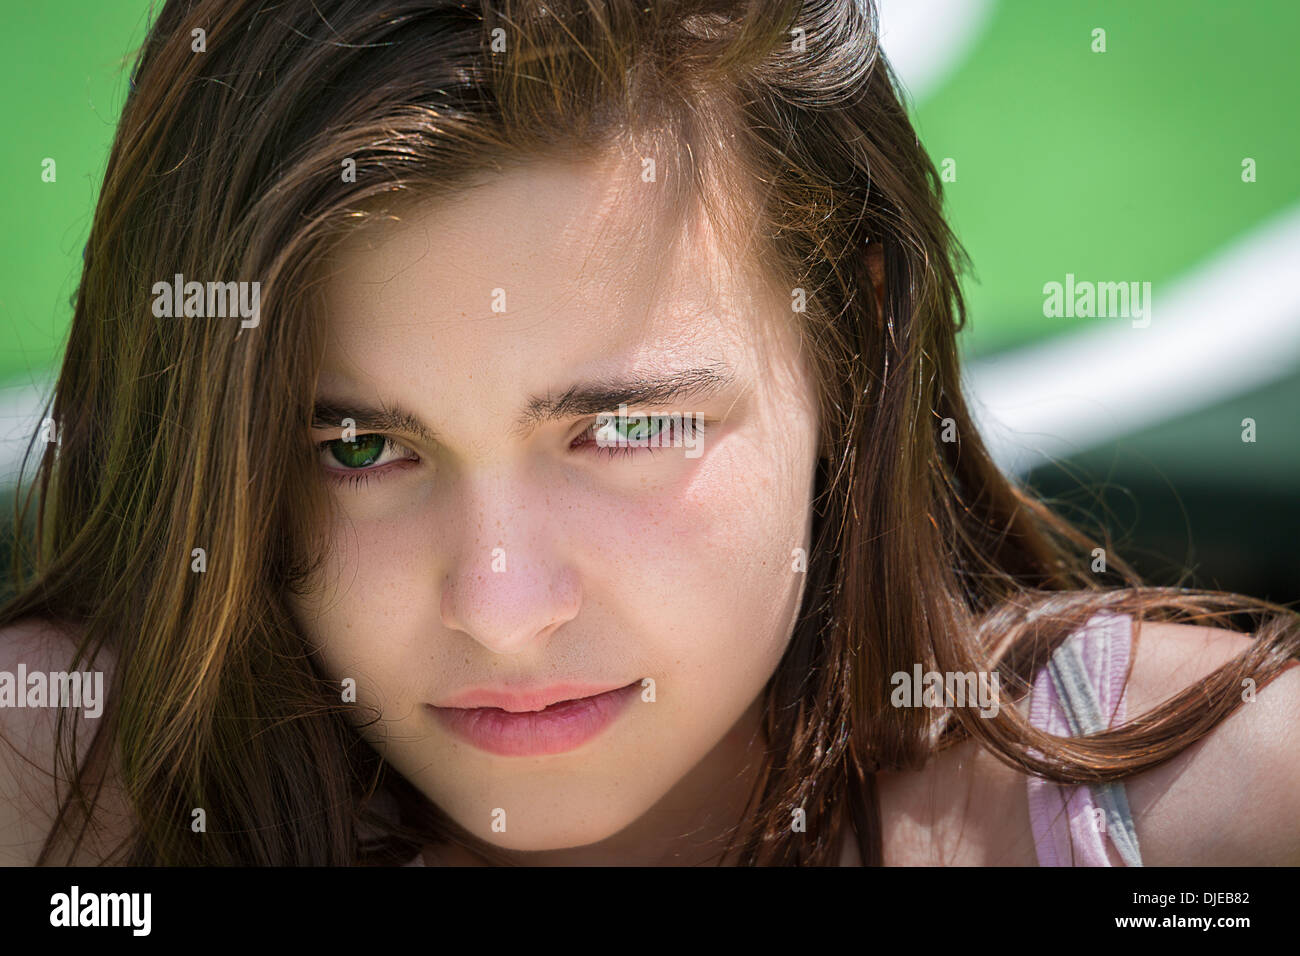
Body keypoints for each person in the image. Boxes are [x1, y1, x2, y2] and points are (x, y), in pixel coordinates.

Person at [1, 0, 1297, 867]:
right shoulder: (51, 794)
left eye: (619, 430)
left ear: (854, 323)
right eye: (358, 450)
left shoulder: (1213, 819)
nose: (504, 608)